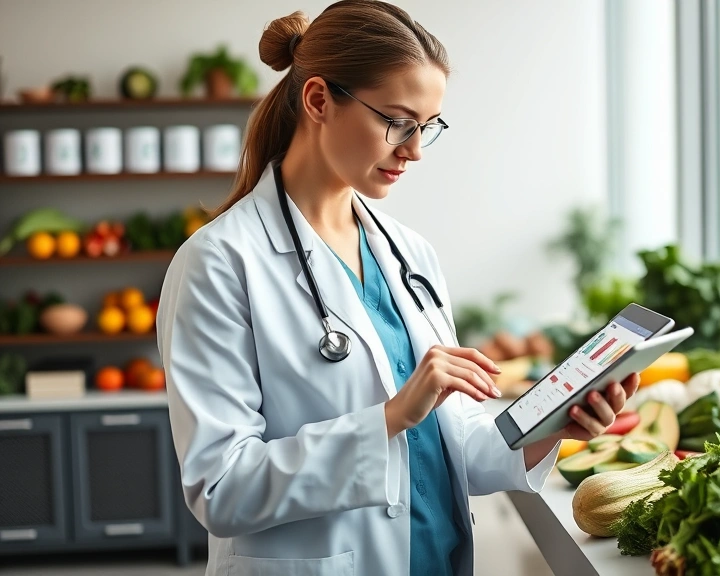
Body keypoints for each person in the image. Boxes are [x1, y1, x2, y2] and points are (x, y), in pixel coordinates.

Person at [156, 2, 639, 575]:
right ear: (318, 101)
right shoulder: (218, 263)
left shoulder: (411, 255)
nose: (412, 150)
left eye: (426, 128)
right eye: (397, 121)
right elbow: (222, 489)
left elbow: (446, 448)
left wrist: (552, 425)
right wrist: (388, 417)